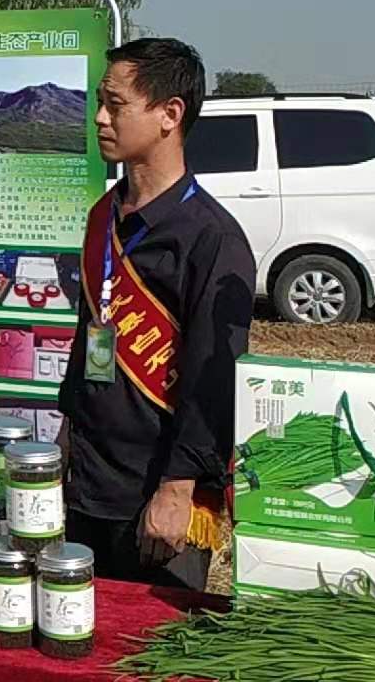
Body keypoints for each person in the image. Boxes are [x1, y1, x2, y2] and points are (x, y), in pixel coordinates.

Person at [57, 37, 256, 591]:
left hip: (159, 495)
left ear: (170, 114)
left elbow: (216, 378)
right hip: (88, 483)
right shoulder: (103, 215)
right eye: (100, 102)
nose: (100, 118)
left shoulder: (212, 238)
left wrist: (178, 486)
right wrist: (68, 431)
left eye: (116, 104)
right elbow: (89, 334)